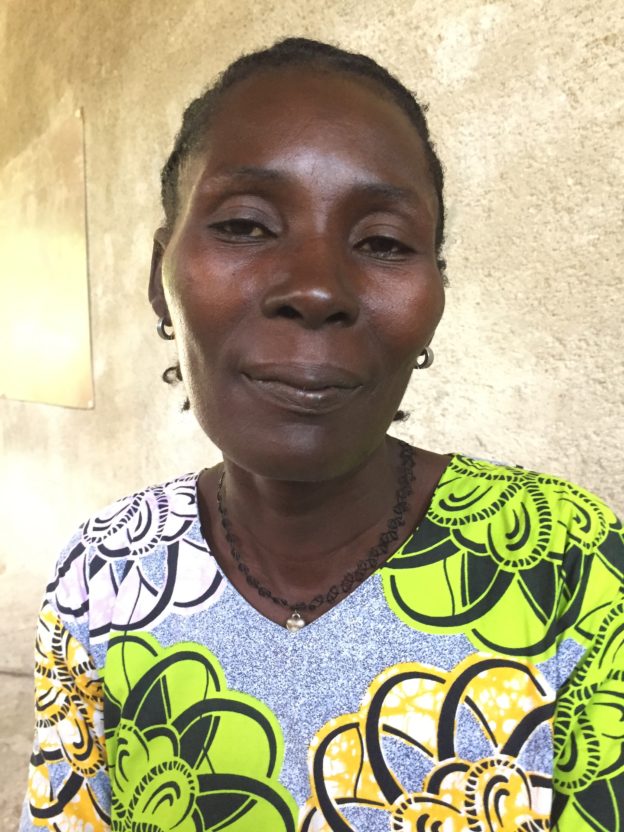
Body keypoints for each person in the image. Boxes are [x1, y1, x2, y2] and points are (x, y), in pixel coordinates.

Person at [20, 37, 623, 832]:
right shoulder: (102, 576)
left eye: (382, 243)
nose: (314, 287)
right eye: (245, 225)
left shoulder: (566, 561)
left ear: (434, 299)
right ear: (160, 281)